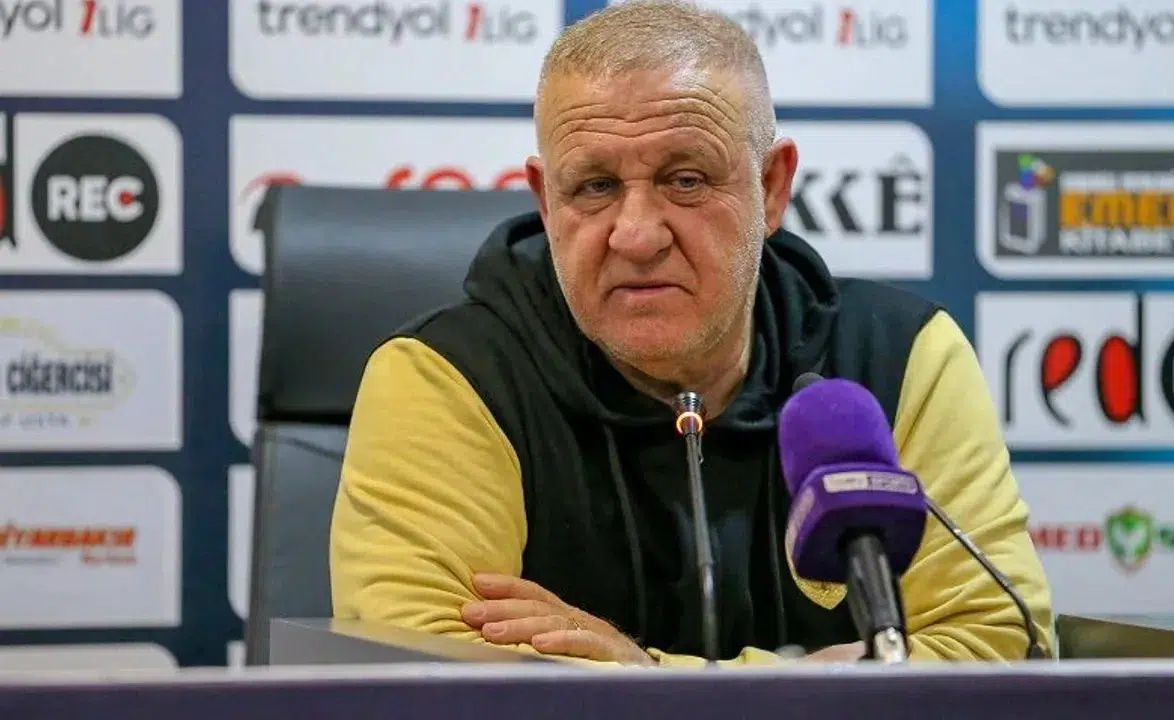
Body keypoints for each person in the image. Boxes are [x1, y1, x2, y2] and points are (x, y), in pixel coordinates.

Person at [329, 0, 1053, 667]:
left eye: (686, 180)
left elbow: (998, 646)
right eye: (595, 187)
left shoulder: (900, 357)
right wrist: (813, 682)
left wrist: (646, 678)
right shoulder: (448, 377)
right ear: (546, 202)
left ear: (772, 187)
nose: (637, 235)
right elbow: (425, 671)